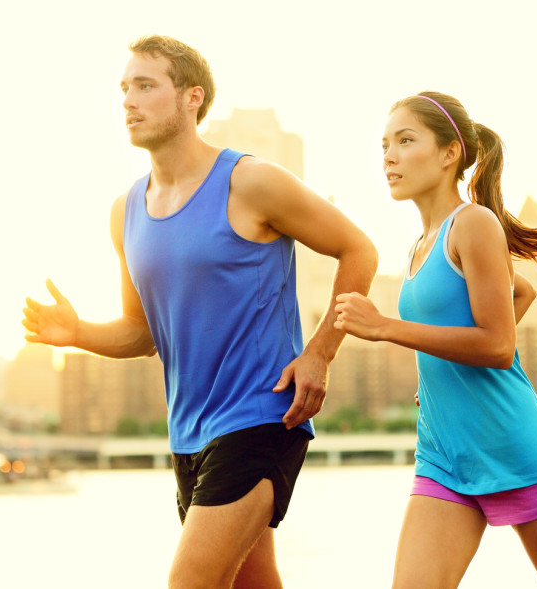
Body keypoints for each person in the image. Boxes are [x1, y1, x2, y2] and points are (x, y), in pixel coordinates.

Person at [22, 35, 378, 589]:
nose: (129, 100)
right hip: (188, 435)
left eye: (146, 85)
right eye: (125, 88)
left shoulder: (251, 181)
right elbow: (142, 333)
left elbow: (359, 250)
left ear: (193, 97)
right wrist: (78, 333)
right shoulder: (125, 212)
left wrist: (319, 354)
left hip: (262, 416)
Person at [334, 91, 537, 588]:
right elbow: (520, 291)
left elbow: (498, 346)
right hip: (444, 456)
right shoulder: (421, 244)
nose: (389, 157)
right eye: (384, 145)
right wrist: (442, 372)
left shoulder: (474, 223)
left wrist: (386, 327)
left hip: (512, 445)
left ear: (449, 153)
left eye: (405, 141)